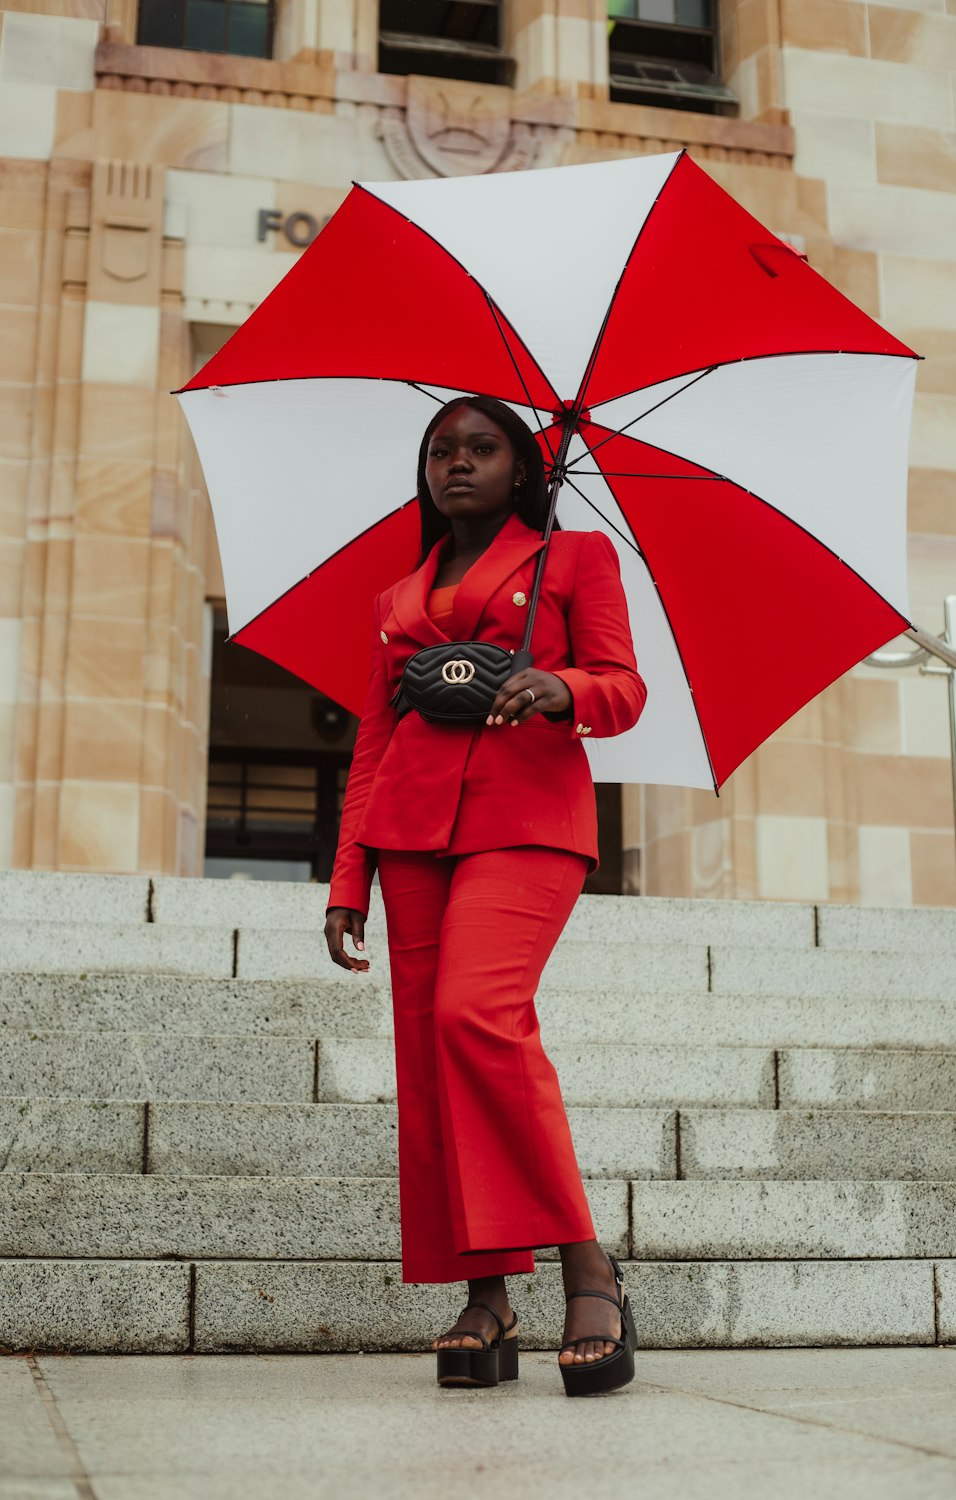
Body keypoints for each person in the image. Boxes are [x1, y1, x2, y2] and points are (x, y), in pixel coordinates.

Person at [324, 393, 647, 1395]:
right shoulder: (395, 597)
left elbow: (623, 689)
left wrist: (563, 689)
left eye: (481, 447)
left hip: (526, 819)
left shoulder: (577, 558)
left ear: (522, 468)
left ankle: (588, 1269)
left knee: (477, 1016)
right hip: (411, 836)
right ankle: (485, 1292)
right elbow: (375, 739)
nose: (456, 463)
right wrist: (348, 879)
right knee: (429, 1055)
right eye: (440, 450)